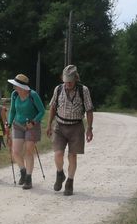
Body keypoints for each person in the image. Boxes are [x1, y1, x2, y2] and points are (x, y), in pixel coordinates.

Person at [45, 64, 94, 196]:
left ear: (76, 79)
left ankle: (70, 182)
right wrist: (49, 124)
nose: (67, 84)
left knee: (72, 155)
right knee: (58, 153)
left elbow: (89, 110)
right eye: (65, 82)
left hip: (76, 127)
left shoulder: (84, 90)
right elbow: (53, 107)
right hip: (59, 126)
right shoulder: (58, 89)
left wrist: (89, 128)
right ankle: (60, 173)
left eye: (70, 82)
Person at [6, 74, 45, 190]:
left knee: (28, 151)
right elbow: (12, 111)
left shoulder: (33, 95)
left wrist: (33, 122)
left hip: (31, 126)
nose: (14, 88)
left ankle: (28, 178)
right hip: (17, 125)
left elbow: (42, 111)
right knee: (16, 152)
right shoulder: (14, 95)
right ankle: (23, 171)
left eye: (16, 86)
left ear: (22, 87)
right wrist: (8, 123)